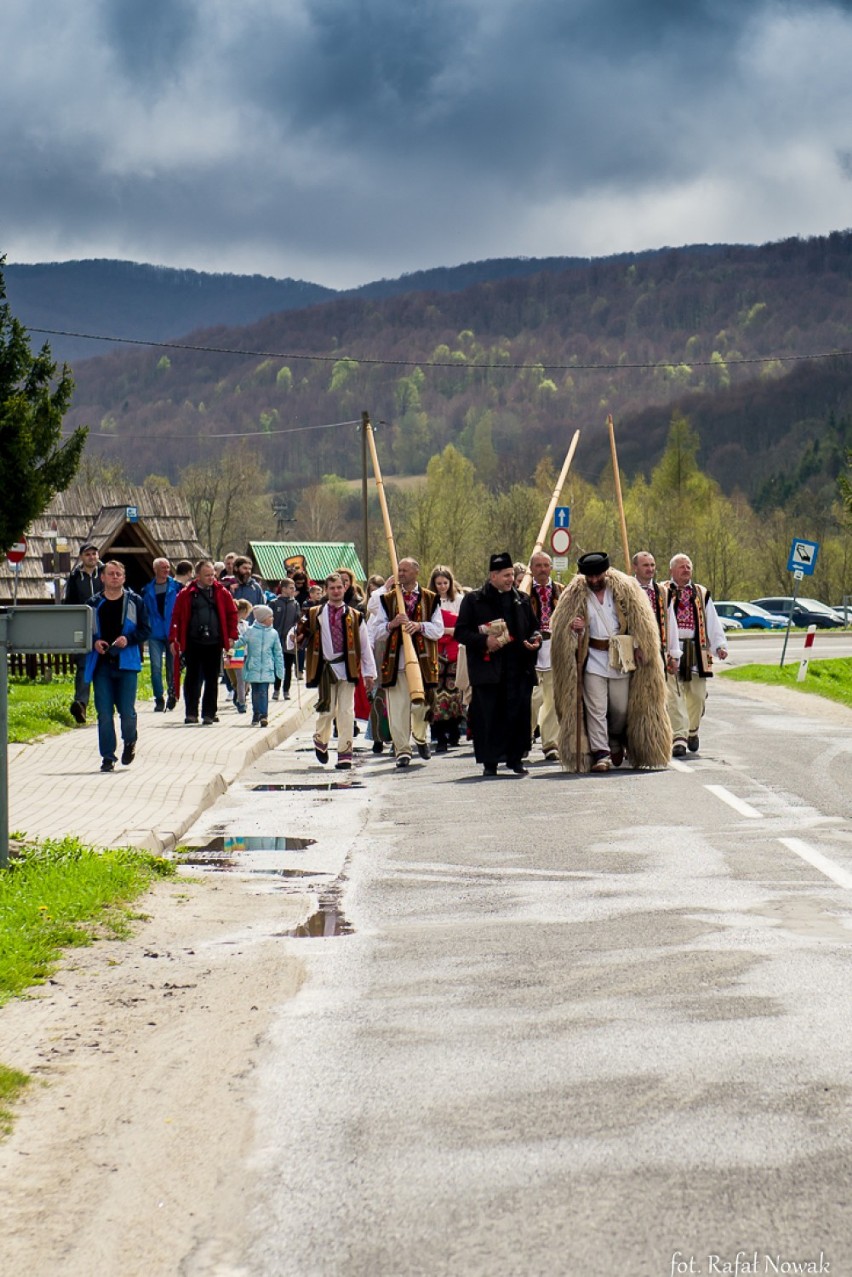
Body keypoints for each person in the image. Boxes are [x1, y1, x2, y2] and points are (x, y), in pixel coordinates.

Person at [550, 551, 672, 772]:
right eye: (590, 577)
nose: (594, 581)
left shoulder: (625, 589)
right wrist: (575, 628)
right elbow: (562, 628)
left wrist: (640, 645)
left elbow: (640, 620)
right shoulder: (574, 594)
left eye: (598, 576)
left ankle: (615, 739)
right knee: (595, 708)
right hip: (593, 659)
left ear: (605, 573)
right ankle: (601, 754)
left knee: (621, 707)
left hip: (619, 658)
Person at [454, 552, 542, 778]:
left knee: (518, 715)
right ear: (493, 575)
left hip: (518, 668)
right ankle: (490, 762)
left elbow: (534, 627)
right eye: (505, 575)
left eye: (512, 574)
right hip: (489, 671)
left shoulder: (521, 600)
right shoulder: (474, 600)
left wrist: (535, 639)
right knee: (490, 716)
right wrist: (485, 641)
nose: (510, 579)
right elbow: (461, 632)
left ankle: (516, 759)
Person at [368, 558, 443, 769]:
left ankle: (420, 737)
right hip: (395, 664)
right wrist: (392, 624)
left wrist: (418, 626)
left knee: (421, 706)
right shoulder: (387, 599)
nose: (400, 574)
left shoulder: (430, 598)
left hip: (423, 663)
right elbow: (377, 632)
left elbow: (437, 630)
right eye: (398, 570)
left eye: (405, 570)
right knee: (397, 710)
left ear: (416, 573)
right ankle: (402, 750)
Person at [298, 573, 377, 769]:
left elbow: (365, 646)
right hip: (325, 668)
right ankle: (321, 739)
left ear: (345, 589)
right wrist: (294, 637)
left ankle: (345, 753)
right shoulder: (314, 612)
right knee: (326, 710)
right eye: (332, 588)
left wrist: (369, 673)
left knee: (346, 712)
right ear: (326, 590)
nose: (335, 591)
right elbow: (298, 631)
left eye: (339, 587)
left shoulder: (355, 616)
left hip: (348, 668)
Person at [83, 560, 150, 772]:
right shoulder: (92, 604)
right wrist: (94, 641)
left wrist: (128, 639)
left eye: (118, 574)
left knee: (127, 711)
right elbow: (83, 631)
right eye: (110, 574)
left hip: (127, 664)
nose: (114, 577)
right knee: (104, 713)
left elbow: (146, 630)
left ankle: (130, 741)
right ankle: (107, 757)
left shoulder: (135, 602)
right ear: (102, 578)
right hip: (101, 664)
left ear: (124, 577)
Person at [663, 553, 728, 757]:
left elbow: (712, 621)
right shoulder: (662, 591)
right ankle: (679, 738)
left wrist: (719, 645)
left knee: (697, 695)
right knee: (674, 696)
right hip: (670, 649)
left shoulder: (701, 593)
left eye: (688, 566)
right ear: (672, 570)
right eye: (681, 567)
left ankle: (692, 731)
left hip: (697, 650)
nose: (686, 570)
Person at [169, 559, 239, 725]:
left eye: (213, 575)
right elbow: (176, 616)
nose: (211, 578)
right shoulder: (186, 594)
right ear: (198, 575)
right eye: (207, 575)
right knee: (192, 678)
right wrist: (174, 639)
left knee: (212, 679)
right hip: (193, 641)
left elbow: (232, 614)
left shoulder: (222, 593)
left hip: (214, 642)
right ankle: (191, 712)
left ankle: (209, 713)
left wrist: (231, 636)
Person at [525, 551, 564, 762]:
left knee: (552, 699)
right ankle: (526, 736)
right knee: (532, 699)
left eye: (546, 565)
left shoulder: (561, 591)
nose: (542, 569)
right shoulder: (523, 592)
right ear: (532, 568)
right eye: (538, 565)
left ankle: (550, 743)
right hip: (532, 650)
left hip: (554, 648)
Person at [63, 542, 102, 724]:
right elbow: (69, 604)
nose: (92, 557)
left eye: (94, 554)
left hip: (103, 628)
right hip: (82, 628)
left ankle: (105, 706)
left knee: (104, 668)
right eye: (88, 554)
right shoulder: (74, 578)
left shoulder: (104, 574)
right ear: (81, 557)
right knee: (84, 667)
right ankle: (81, 705)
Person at [428, 564, 465, 752]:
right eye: (438, 583)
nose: (442, 586)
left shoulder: (459, 599)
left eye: (445, 582)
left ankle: (454, 730)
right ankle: (439, 733)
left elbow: (464, 624)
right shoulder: (429, 600)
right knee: (436, 693)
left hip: (454, 650)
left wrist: (449, 630)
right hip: (435, 650)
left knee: (454, 692)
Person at [141, 557, 181, 711]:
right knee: (155, 668)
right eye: (163, 567)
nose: (166, 570)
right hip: (155, 634)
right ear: (155, 569)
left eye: (168, 567)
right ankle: (159, 698)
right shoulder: (147, 590)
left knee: (172, 667)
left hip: (172, 632)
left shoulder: (177, 587)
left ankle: (172, 694)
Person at [243, 604, 284, 727]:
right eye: (270, 616)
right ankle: (256, 713)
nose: (272, 619)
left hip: (267, 667)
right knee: (255, 692)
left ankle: (263, 715)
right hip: (253, 667)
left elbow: (278, 653)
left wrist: (280, 670)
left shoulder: (273, 633)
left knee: (263, 691)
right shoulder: (250, 631)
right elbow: (241, 641)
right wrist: (230, 642)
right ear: (262, 618)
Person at [272, 577, 300, 700]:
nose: (293, 590)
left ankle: (286, 690)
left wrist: (296, 632)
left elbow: (297, 621)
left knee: (288, 666)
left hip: (289, 641)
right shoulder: (274, 603)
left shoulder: (295, 604)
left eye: (294, 588)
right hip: (276, 640)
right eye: (291, 588)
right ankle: (276, 689)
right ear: (283, 589)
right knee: (278, 665)